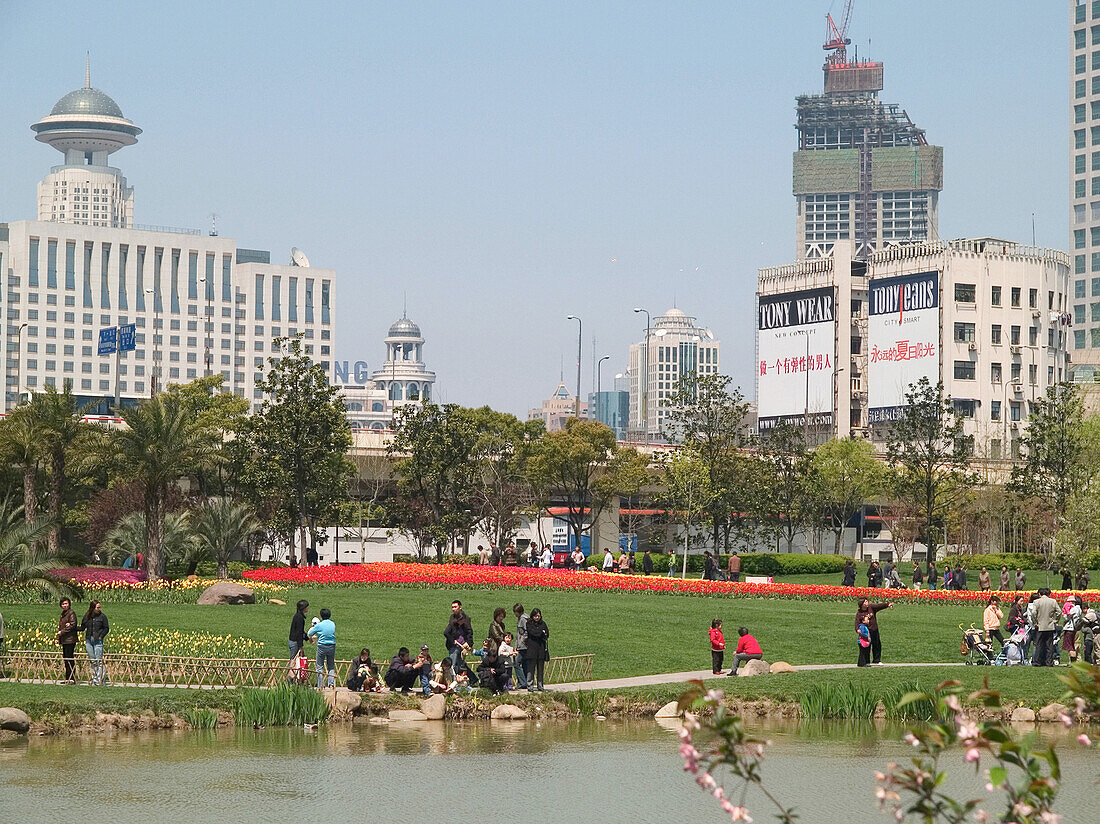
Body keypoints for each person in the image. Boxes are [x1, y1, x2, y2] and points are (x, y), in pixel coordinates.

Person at [79, 600, 109, 686]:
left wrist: (101, 636)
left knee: (99, 660)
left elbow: (106, 628)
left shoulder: (102, 617)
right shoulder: (87, 617)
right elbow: (82, 627)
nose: (99, 609)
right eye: (97, 607)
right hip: (89, 639)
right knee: (93, 660)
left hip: (98, 640)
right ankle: (94, 678)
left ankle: (100, 680)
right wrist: (72, 628)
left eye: (99, 607)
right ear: (92, 608)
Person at [854, 598, 892, 665]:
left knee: (877, 644)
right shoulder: (859, 613)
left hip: (874, 629)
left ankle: (876, 660)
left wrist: (887, 604)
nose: (866, 603)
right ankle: (867, 661)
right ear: (861, 604)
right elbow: (856, 622)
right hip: (866, 632)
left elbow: (879, 606)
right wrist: (857, 629)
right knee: (867, 646)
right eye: (865, 602)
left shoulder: (871, 608)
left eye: (866, 601)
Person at [307, 607, 336, 688]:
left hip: (322, 646)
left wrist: (311, 640)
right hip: (332, 646)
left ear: (321, 616)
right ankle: (331, 684)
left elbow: (309, 633)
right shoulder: (332, 624)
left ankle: (321, 685)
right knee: (331, 666)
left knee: (320, 666)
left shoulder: (319, 625)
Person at [1032, 588, 1060, 667]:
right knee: (1049, 645)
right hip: (1049, 625)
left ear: (1039, 594)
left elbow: (1033, 613)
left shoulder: (1037, 602)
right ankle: (1049, 662)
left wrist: (1035, 622)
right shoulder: (1053, 601)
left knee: (1039, 644)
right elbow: (1059, 612)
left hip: (1040, 625)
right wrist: (1055, 621)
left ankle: (1037, 661)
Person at [524, 608, 550, 691]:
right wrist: (540, 633)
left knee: (540, 669)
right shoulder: (529, 623)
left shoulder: (543, 623)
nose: (537, 617)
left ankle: (540, 685)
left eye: (538, 616)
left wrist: (540, 633)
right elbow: (532, 633)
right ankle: (530, 685)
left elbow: (546, 634)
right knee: (531, 668)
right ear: (532, 616)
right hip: (532, 648)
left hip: (541, 649)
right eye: (535, 616)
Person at [55, 597, 78, 684]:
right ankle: (68, 678)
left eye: (66, 603)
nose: (65, 605)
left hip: (70, 639)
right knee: (66, 659)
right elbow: (61, 626)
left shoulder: (71, 613)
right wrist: (58, 637)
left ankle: (71, 678)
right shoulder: (63, 614)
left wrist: (63, 631)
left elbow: (72, 625)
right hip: (64, 639)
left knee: (69, 658)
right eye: (63, 604)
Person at [445, 600, 474, 667]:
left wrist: (469, 643)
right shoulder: (452, 618)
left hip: (463, 646)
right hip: (454, 646)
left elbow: (469, 632)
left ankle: (472, 677)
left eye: (455, 607)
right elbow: (446, 632)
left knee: (458, 666)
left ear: (460, 607)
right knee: (454, 665)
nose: (453, 609)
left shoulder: (466, 618)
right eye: (452, 607)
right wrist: (452, 640)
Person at [513, 603, 530, 690]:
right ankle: (525, 682)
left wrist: (523, 640)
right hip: (521, 645)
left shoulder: (523, 619)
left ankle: (523, 682)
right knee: (524, 664)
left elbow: (525, 632)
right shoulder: (521, 618)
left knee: (517, 663)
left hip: (524, 646)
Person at [288, 599, 309, 667]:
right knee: (293, 660)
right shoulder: (300, 618)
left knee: (294, 660)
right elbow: (299, 633)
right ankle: (290, 676)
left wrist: (306, 637)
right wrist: (301, 646)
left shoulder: (297, 616)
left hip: (293, 641)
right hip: (295, 642)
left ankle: (292, 676)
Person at [1062, 597, 1083, 663]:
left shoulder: (1074, 609)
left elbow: (1067, 617)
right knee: (1072, 645)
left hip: (1070, 628)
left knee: (1070, 646)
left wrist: (1064, 614)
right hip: (1074, 628)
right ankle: (1074, 661)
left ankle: (1072, 662)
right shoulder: (1079, 609)